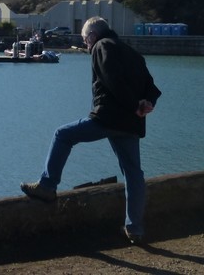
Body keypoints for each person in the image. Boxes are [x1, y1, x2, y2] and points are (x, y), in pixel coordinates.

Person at [20, 16, 162, 244]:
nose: (87, 46)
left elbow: (112, 80)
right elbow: (152, 87)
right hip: (131, 124)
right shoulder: (131, 52)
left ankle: (47, 186)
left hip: (108, 118)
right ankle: (135, 229)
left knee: (63, 135)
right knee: (134, 174)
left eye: (86, 41)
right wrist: (146, 103)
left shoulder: (101, 46)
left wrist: (134, 104)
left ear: (93, 37)